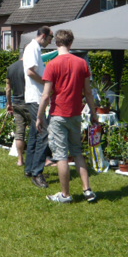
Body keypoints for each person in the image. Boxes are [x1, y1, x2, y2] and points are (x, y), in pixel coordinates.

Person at [37, 29, 98, 204]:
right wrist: (94, 114)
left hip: (58, 115)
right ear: (71, 43)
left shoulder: (52, 64)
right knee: (77, 152)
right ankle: (87, 190)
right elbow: (88, 92)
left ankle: (65, 195)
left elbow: (46, 95)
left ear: (56, 43)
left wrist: (39, 117)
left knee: (61, 156)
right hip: (76, 114)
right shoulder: (82, 63)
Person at [23, 25, 54, 188]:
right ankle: (37, 173)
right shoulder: (33, 48)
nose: (50, 42)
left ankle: (30, 168)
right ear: (43, 36)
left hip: (35, 97)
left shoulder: (35, 48)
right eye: (50, 38)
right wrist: (47, 83)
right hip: (36, 97)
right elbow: (30, 72)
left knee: (35, 133)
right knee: (43, 133)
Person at [6, 58, 31, 167]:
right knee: (37, 131)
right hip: (30, 103)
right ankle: (35, 158)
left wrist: (9, 104)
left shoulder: (11, 67)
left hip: (16, 103)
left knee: (19, 133)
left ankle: (20, 160)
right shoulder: (30, 66)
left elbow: (8, 89)